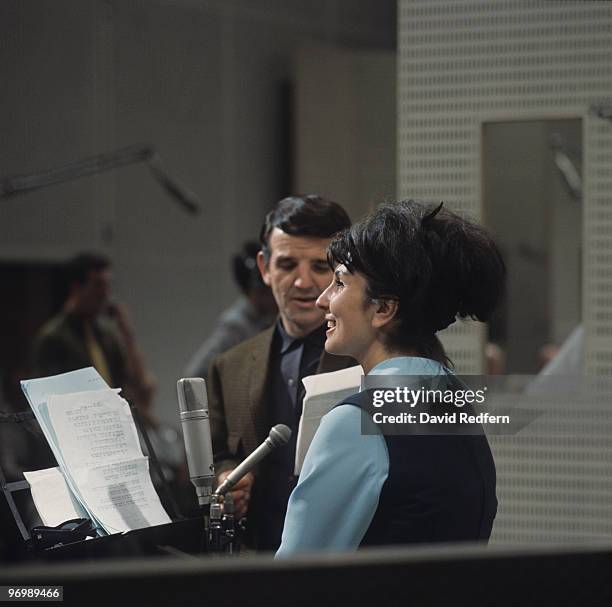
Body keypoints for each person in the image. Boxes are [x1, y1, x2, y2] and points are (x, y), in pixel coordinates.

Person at [276, 200, 505, 556]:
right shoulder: (456, 403)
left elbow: (294, 572)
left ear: (383, 308)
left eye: (338, 282)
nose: (323, 300)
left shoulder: (357, 421)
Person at [207, 194, 354, 551]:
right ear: (264, 267)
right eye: (288, 265)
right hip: (257, 565)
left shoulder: (376, 359)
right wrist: (227, 477)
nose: (303, 283)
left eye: (319, 267)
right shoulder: (230, 366)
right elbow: (216, 454)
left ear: (342, 272)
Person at [31, 252, 155, 419]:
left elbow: (141, 384)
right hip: (79, 425)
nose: (105, 294)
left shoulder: (105, 337)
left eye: (108, 286)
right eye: (98, 285)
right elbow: (50, 399)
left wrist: (127, 333)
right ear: (76, 288)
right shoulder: (54, 338)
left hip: (112, 422)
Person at [184, 241, 277, 381]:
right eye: (266, 292)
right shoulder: (236, 326)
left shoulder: (270, 318)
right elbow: (196, 373)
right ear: (254, 291)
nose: (272, 296)